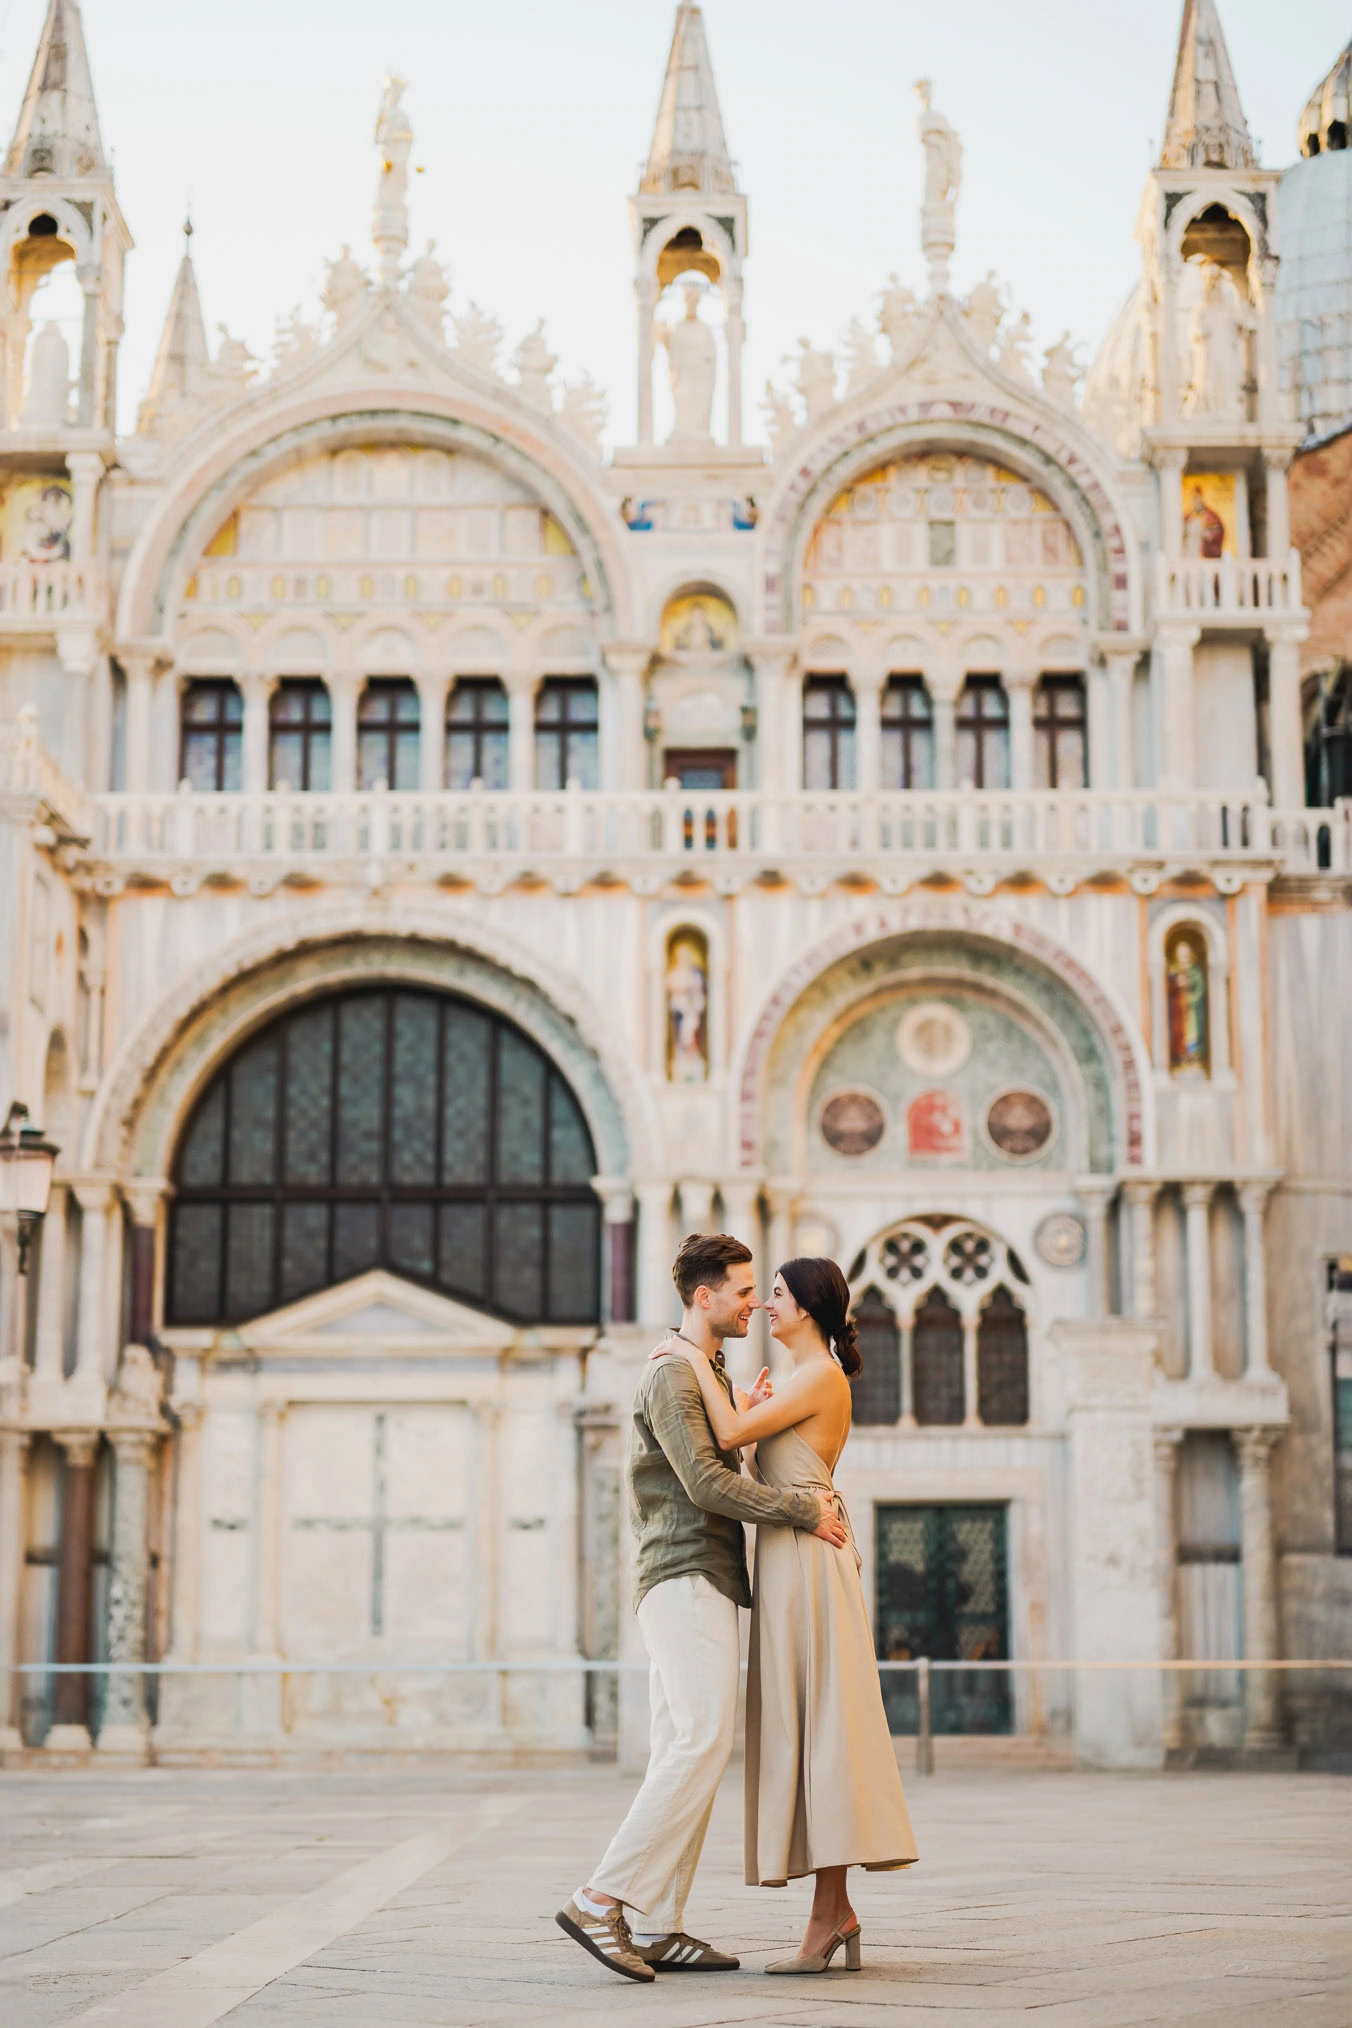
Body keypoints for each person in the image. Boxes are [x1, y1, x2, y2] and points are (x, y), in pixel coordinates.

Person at [555, 1233, 849, 1983]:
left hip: (705, 1574)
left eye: (763, 1292)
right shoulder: (674, 1375)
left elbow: (726, 1455)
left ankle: (657, 1926)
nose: (755, 1303)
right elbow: (705, 1487)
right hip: (684, 1572)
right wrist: (799, 1511)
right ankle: (600, 1898)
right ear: (703, 1296)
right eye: (745, 1291)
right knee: (703, 1737)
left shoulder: (705, 1370)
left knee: (685, 1741)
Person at [657, 1256, 918, 1974]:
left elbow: (733, 1438)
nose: (767, 1306)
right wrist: (736, 1394)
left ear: (807, 1305)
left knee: (823, 1726)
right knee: (807, 1727)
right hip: (790, 1552)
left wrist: (691, 1356)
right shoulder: (801, 1380)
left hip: (808, 1556)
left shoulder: (821, 1376)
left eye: (774, 1295)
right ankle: (832, 1914)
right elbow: (748, 1459)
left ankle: (828, 1919)